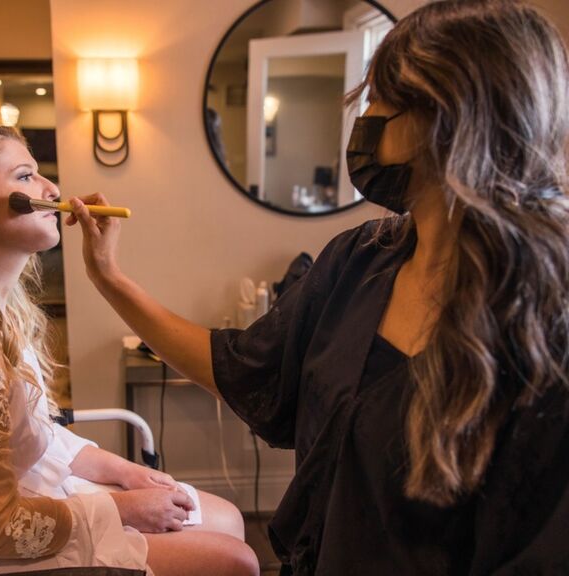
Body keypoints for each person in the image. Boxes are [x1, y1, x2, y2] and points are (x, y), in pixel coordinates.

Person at [67, 1, 569, 574]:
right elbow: (239, 368)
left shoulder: (545, 325)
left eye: (379, 98)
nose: (363, 117)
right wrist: (108, 278)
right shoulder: (359, 261)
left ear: (444, 116)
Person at [0, 122, 260, 576]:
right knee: (234, 561)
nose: (50, 188)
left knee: (226, 518)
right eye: (24, 176)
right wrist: (122, 509)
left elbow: (40, 437)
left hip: (13, 505)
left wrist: (126, 472)